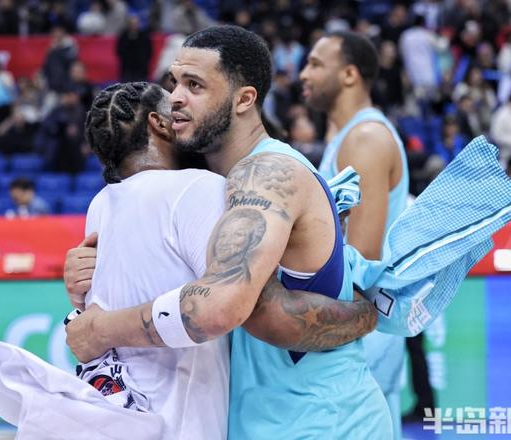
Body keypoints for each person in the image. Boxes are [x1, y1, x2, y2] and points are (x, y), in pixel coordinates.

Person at [66, 25, 393, 438]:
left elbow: (220, 309)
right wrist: (91, 267)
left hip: (321, 423)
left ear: (244, 99)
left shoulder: (267, 174)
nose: (175, 97)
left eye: (195, 85)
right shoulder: (207, 183)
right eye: (174, 82)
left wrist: (98, 329)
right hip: (259, 422)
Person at [300, 30, 410, 439]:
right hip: (357, 333)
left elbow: (360, 261)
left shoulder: (366, 138)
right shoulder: (348, 136)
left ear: (349, 74)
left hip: (359, 337)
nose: (303, 74)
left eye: (315, 64)